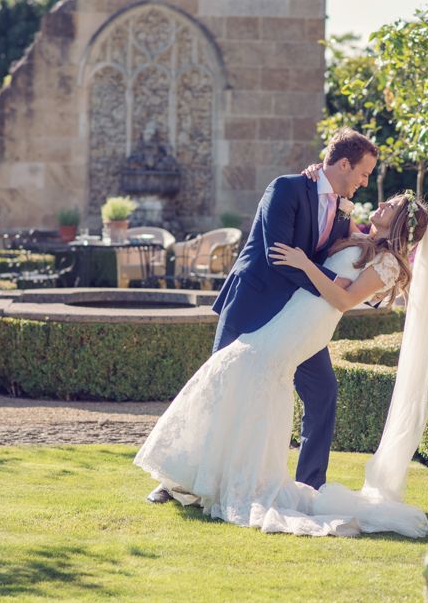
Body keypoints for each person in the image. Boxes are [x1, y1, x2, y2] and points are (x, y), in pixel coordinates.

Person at [134, 190, 428, 537]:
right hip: (293, 315)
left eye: (392, 206)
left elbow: (344, 299)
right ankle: (195, 479)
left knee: (237, 369)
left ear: (400, 222)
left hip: (307, 326)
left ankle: (217, 481)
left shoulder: (387, 264)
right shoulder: (363, 241)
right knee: (233, 376)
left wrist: (303, 263)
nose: (382, 204)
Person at [146, 129, 377, 505]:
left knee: (323, 393)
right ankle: (175, 481)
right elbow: (276, 255)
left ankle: (310, 487)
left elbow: (362, 253)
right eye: (363, 174)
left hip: (297, 319)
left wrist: (354, 291)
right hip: (252, 304)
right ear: (344, 164)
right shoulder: (285, 189)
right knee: (216, 389)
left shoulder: (342, 211)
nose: (365, 183)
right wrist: (333, 286)